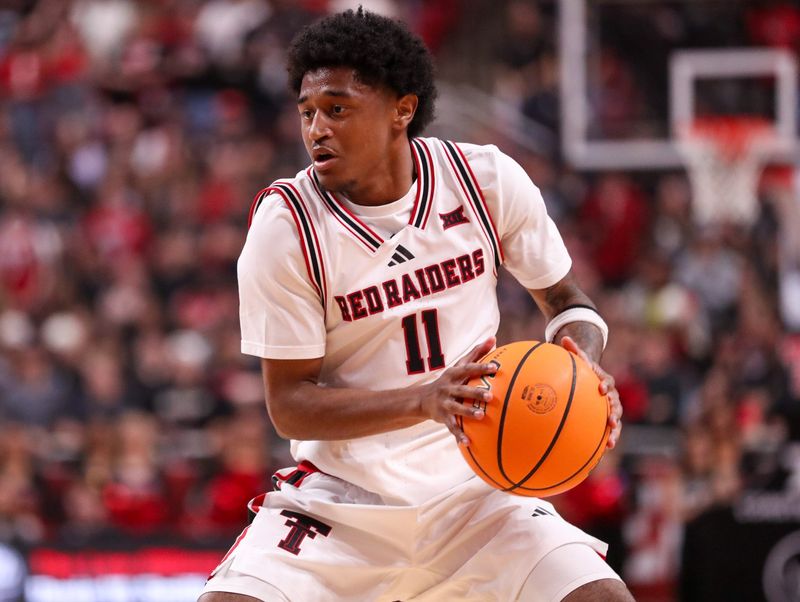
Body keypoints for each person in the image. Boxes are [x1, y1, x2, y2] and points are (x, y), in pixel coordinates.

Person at [200, 8, 631, 602]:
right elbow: (290, 407)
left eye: (338, 108)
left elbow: (569, 303)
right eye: (307, 112)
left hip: (477, 493)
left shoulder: (483, 179)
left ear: (402, 109)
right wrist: (424, 400)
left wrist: (583, 363)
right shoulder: (286, 226)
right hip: (343, 503)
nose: (316, 129)